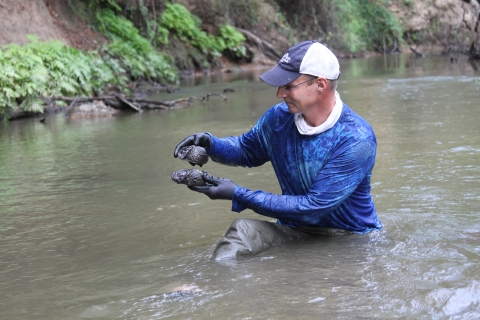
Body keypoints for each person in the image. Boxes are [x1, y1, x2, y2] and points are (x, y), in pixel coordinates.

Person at [173, 40, 382, 260]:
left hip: (350, 239)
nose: (280, 93)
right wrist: (210, 144)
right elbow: (246, 150)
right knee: (242, 230)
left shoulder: (356, 139)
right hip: (294, 230)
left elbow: (314, 208)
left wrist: (238, 194)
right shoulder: (278, 119)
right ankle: (206, 289)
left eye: (289, 86)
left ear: (320, 85)